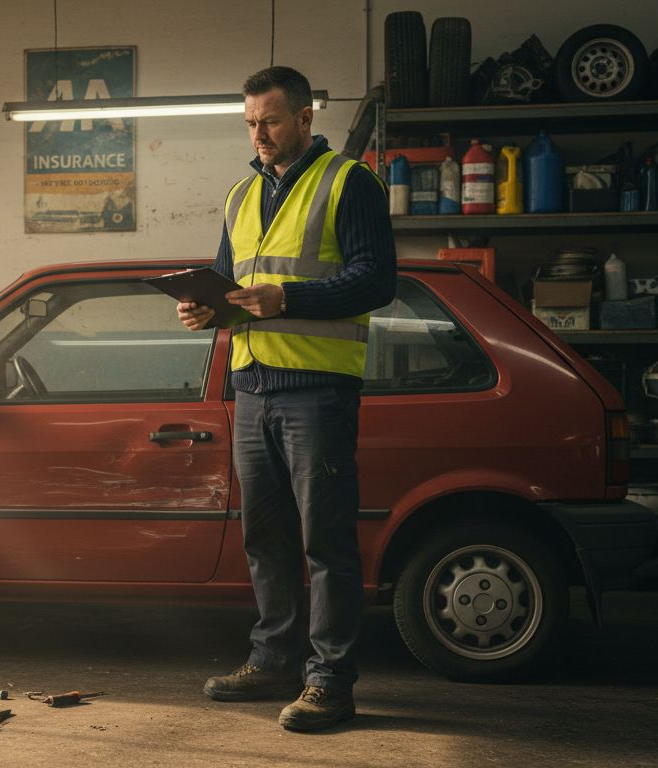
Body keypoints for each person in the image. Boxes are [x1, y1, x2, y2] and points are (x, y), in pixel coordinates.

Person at [176, 66, 395, 732]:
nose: (259, 134)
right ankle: (272, 660)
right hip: (252, 386)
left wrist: (287, 297)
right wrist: (205, 309)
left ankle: (330, 680)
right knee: (264, 538)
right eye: (249, 123)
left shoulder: (350, 183)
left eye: (269, 121)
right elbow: (231, 284)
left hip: (317, 391)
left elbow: (376, 281)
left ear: (305, 116)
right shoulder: (241, 194)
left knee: (325, 542)